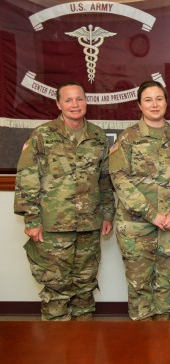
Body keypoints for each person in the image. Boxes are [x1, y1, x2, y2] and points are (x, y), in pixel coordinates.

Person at [14, 81, 115, 321]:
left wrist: (108, 214)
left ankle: (83, 349)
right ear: (58, 103)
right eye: (68, 100)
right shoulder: (43, 135)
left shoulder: (98, 137)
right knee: (56, 291)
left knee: (85, 289)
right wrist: (31, 219)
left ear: (86, 101)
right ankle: (57, 351)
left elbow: (104, 179)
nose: (75, 104)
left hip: (89, 225)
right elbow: (27, 177)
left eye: (79, 99)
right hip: (53, 227)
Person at [109, 81, 170, 321]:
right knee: (139, 287)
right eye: (148, 100)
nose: (154, 104)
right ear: (139, 105)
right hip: (136, 227)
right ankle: (142, 349)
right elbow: (120, 181)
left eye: (159, 99)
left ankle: (162, 346)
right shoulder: (127, 139)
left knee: (166, 287)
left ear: (166, 102)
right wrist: (152, 215)